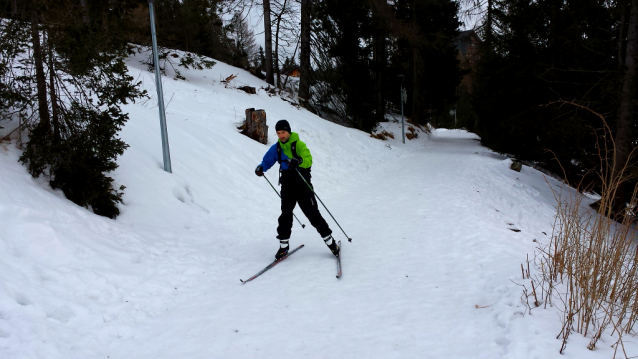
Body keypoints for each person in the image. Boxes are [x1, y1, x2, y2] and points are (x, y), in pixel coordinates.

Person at [255, 120, 339, 260]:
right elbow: (267, 161)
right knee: (285, 215)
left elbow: (309, 160)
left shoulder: (299, 145)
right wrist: (261, 168)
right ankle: (283, 247)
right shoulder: (276, 148)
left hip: (303, 185)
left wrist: (299, 161)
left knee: (313, 215)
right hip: (287, 186)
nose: (281, 136)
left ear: (288, 131)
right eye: (278, 133)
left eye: (283, 132)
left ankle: (331, 243)